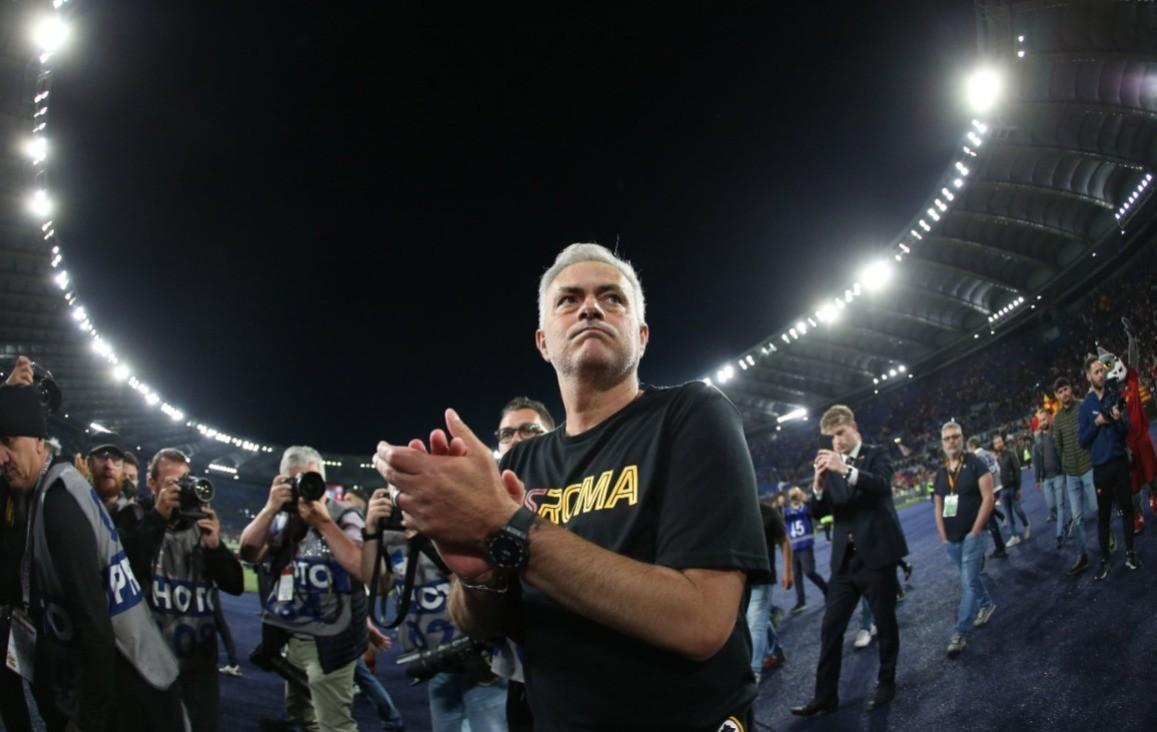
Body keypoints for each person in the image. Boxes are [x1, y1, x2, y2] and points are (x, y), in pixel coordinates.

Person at [379, 243, 770, 730]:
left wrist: (507, 527)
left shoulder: (690, 414)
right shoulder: (520, 462)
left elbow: (700, 622)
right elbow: (480, 625)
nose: (590, 306)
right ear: (543, 342)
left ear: (642, 336)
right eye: (569, 299)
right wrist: (480, 576)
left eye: (613, 298)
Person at [0, 384, 184, 731]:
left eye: (9, 441)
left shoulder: (57, 503)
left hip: (132, 690)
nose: (0, 456)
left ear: (39, 441)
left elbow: (94, 626)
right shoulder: (46, 488)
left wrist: (89, 721)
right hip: (120, 684)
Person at [238, 446, 367, 732]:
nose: (305, 488)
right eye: (295, 481)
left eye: (311, 479)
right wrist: (270, 507)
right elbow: (249, 552)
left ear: (322, 478)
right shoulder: (283, 518)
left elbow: (361, 568)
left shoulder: (345, 515)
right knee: (299, 713)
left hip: (334, 638)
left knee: (335, 725)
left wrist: (322, 522)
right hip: (294, 637)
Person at [116, 448, 245, 732]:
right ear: (152, 485)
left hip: (198, 665)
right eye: (172, 483)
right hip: (148, 663)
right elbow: (127, 572)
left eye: (186, 480)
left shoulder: (200, 524)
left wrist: (215, 546)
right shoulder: (134, 516)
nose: (181, 489)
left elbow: (235, 584)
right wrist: (158, 517)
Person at [791, 404, 908, 717]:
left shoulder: (876, 453)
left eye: (840, 433)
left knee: (885, 622)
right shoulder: (831, 467)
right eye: (832, 438)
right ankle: (824, 695)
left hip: (877, 556)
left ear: (853, 427)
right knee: (830, 629)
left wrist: (844, 469)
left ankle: (886, 681)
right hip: (844, 563)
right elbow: (820, 513)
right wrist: (816, 487)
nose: (837, 442)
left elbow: (882, 485)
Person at [494, 396, 555, 732]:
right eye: (506, 433)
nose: (516, 438)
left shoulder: (581, 488)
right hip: (520, 669)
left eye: (529, 430)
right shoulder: (485, 501)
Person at [933, 421, 996, 658]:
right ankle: (987, 604)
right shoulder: (940, 473)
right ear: (942, 443)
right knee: (970, 578)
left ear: (962, 438)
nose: (952, 441)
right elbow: (938, 507)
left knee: (967, 582)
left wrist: (976, 531)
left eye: (955, 437)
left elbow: (988, 499)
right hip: (952, 539)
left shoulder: (976, 464)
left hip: (974, 534)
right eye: (947, 438)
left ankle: (959, 632)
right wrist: (943, 537)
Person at [1078, 355, 1141, 578]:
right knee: (1104, 516)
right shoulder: (1085, 407)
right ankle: (1105, 560)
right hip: (1101, 469)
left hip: (1119, 462)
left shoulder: (1114, 396)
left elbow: (1126, 430)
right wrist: (1097, 423)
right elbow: (1082, 440)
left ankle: (1131, 553)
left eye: (1101, 371)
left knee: (1127, 509)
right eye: (1095, 372)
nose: (1100, 375)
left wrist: (1119, 419)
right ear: (1088, 376)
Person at [1052, 376, 1097, 574]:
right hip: (1071, 474)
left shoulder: (1084, 406)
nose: (1064, 394)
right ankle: (1082, 555)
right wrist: (1066, 463)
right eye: (1060, 391)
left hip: (1089, 467)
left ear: (1071, 388)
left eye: (1066, 389)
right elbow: (1058, 445)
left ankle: (1107, 538)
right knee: (1077, 518)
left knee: (1097, 509)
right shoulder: (1058, 419)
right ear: (1056, 396)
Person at [747, 501, 793, 682]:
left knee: (755, 622)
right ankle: (776, 651)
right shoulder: (733, 512)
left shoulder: (767, 512)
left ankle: (754, 669)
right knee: (758, 620)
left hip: (763, 577)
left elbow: (784, 540)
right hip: (740, 581)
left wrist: (788, 571)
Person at [783, 486, 827, 614]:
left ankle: (826, 589)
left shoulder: (806, 507)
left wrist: (805, 499)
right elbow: (782, 517)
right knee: (796, 575)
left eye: (795, 494)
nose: (794, 497)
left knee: (809, 572)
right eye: (792, 495)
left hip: (805, 544)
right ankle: (801, 601)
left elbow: (815, 511)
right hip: (793, 547)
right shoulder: (786, 511)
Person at [968, 436, 1009, 560]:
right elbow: (998, 468)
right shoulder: (989, 454)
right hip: (997, 486)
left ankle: (1000, 548)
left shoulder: (975, 458)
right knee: (990, 518)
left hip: (988, 491)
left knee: (990, 522)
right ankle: (1000, 546)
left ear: (972, 446)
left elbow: (977, 477)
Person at [1033, 410, 1067, 550]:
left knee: (1059, 506)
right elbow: (1036, 461)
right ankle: (1064, 523)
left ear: (1049, 419)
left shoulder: (1056, 433)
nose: (1042, 422)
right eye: (1040, 421)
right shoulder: (1037, 440)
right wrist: (1037, 480)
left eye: (1044, 419)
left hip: (1059, 475)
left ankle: (1059, 534)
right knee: (1052, 506)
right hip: (1046, 479)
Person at [992, 435, 1030, 544]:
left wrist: (1018, 488)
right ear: (994, 446)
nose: (998, 444)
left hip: (1012, 487)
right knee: (1008, 515)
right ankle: (1014, 536)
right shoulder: (995, 459)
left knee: (1018, 510)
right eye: (996, 443)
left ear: (1003, 442)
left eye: (1000, 442)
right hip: (1001, 491)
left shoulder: (1010, 454)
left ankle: (1026, 524)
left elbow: (1017, 471)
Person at [87, 439, 128, 511]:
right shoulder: (74, 505)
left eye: (116, 458)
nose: (109, 465)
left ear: (123, 468)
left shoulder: (136, 517)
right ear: (90, 463)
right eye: (101, 456)